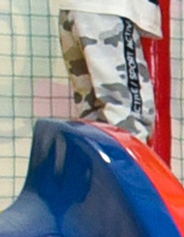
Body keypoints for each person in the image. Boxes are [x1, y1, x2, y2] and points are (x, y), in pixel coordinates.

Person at [55, 0, 160, 143]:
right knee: (129, 118)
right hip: (109, 10)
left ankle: (96, 165)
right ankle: (127, 164)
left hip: (73, 9)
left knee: (92, 116)